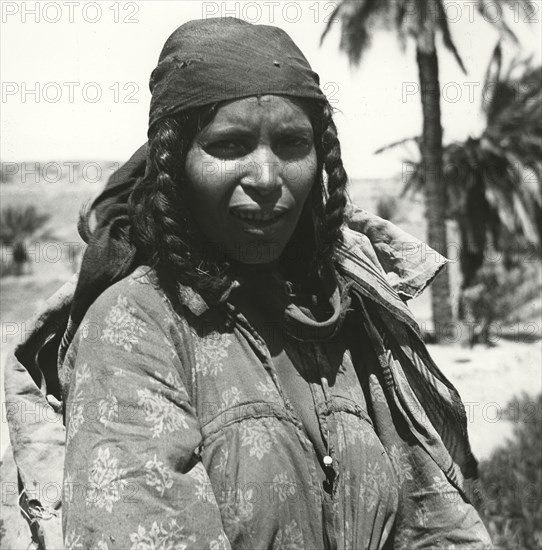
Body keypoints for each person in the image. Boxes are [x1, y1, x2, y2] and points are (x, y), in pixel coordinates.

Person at [4, 17, 493, 550]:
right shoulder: (134, 325)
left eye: (291, 143)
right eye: (230, 145)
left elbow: (436, 521)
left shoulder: (342, 314)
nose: (266, 177)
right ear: (175, 166)